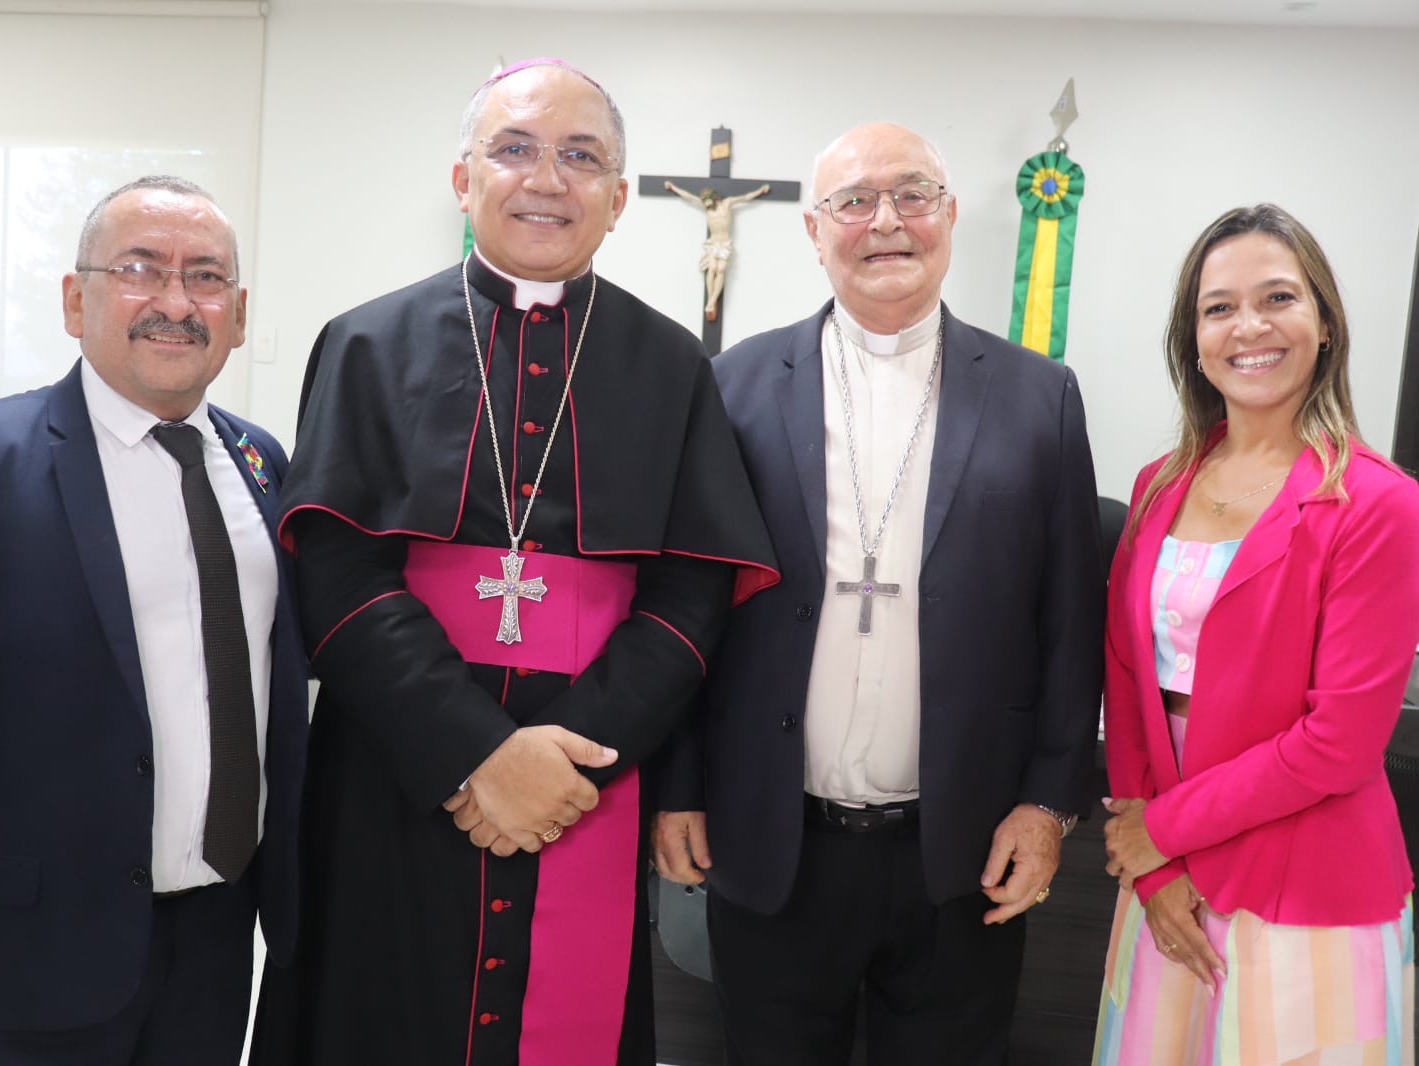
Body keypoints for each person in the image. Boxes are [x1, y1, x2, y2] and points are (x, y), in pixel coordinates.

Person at [246, 59, 777, 1066]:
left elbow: (691, 594)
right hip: (398, 776)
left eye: (581, 157)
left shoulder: (672, 367)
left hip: (588, 778)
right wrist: (477, 756)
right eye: (516, 149)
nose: (547, 178)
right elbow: (339, 579)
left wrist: (566, 752)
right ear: (462, 179)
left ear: (618, 199)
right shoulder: (364, 344)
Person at [0, 176, 309, 1066]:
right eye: (139, 269)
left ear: (237, 314)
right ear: (76, 298)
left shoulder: (262, 462)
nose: (174, 302)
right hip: (30, 947)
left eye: (204, 278)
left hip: (217, 936)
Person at [652, 121, 1105, 1065]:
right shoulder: (730, 388)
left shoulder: (1040, 396)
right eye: (854, 201)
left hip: (963, 847)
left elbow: (1070, 620)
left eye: (912, 195)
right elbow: (685, 605)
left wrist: (1049, 804)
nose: (885, 221)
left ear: (949, 217)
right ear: (816, 232)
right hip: (776, 837)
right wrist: (681, 784)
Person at [1095, 204, 1419, 1063]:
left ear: (1324, 322)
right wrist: (1155, 869)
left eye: (1278, 297)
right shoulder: (1159, 485)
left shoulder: (1380, 505)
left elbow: (1340, 744)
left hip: (1303, 882)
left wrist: (1162, 836)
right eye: (1219, 307)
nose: (1250, 327)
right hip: (1165, 883)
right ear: (1193, 338)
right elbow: (1127, 680)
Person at [663, 179, 771, 321]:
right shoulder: (706, 207)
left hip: (724, 242)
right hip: (713, 243)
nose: (706, 204)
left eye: (708, 200)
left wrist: (760, 191)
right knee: (712, 269)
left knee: (720, 270)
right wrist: (673, 188)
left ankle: (712, 301)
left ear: (713, 198)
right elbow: (688, 196)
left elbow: (745, 198)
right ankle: (710, 301)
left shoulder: (727, 203)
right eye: (704, 201)